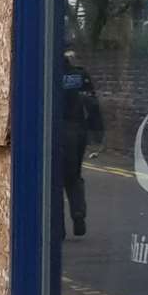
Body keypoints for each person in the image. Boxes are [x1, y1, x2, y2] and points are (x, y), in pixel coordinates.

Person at [57, 45, 104, 238]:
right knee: (74, 175)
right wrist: (97, 130)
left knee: (54, 179)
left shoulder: (48, 76)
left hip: (56, 130)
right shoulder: (79, 75)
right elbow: (92, 103)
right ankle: (78, 214)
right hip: (78, 131)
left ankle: (57, 227)